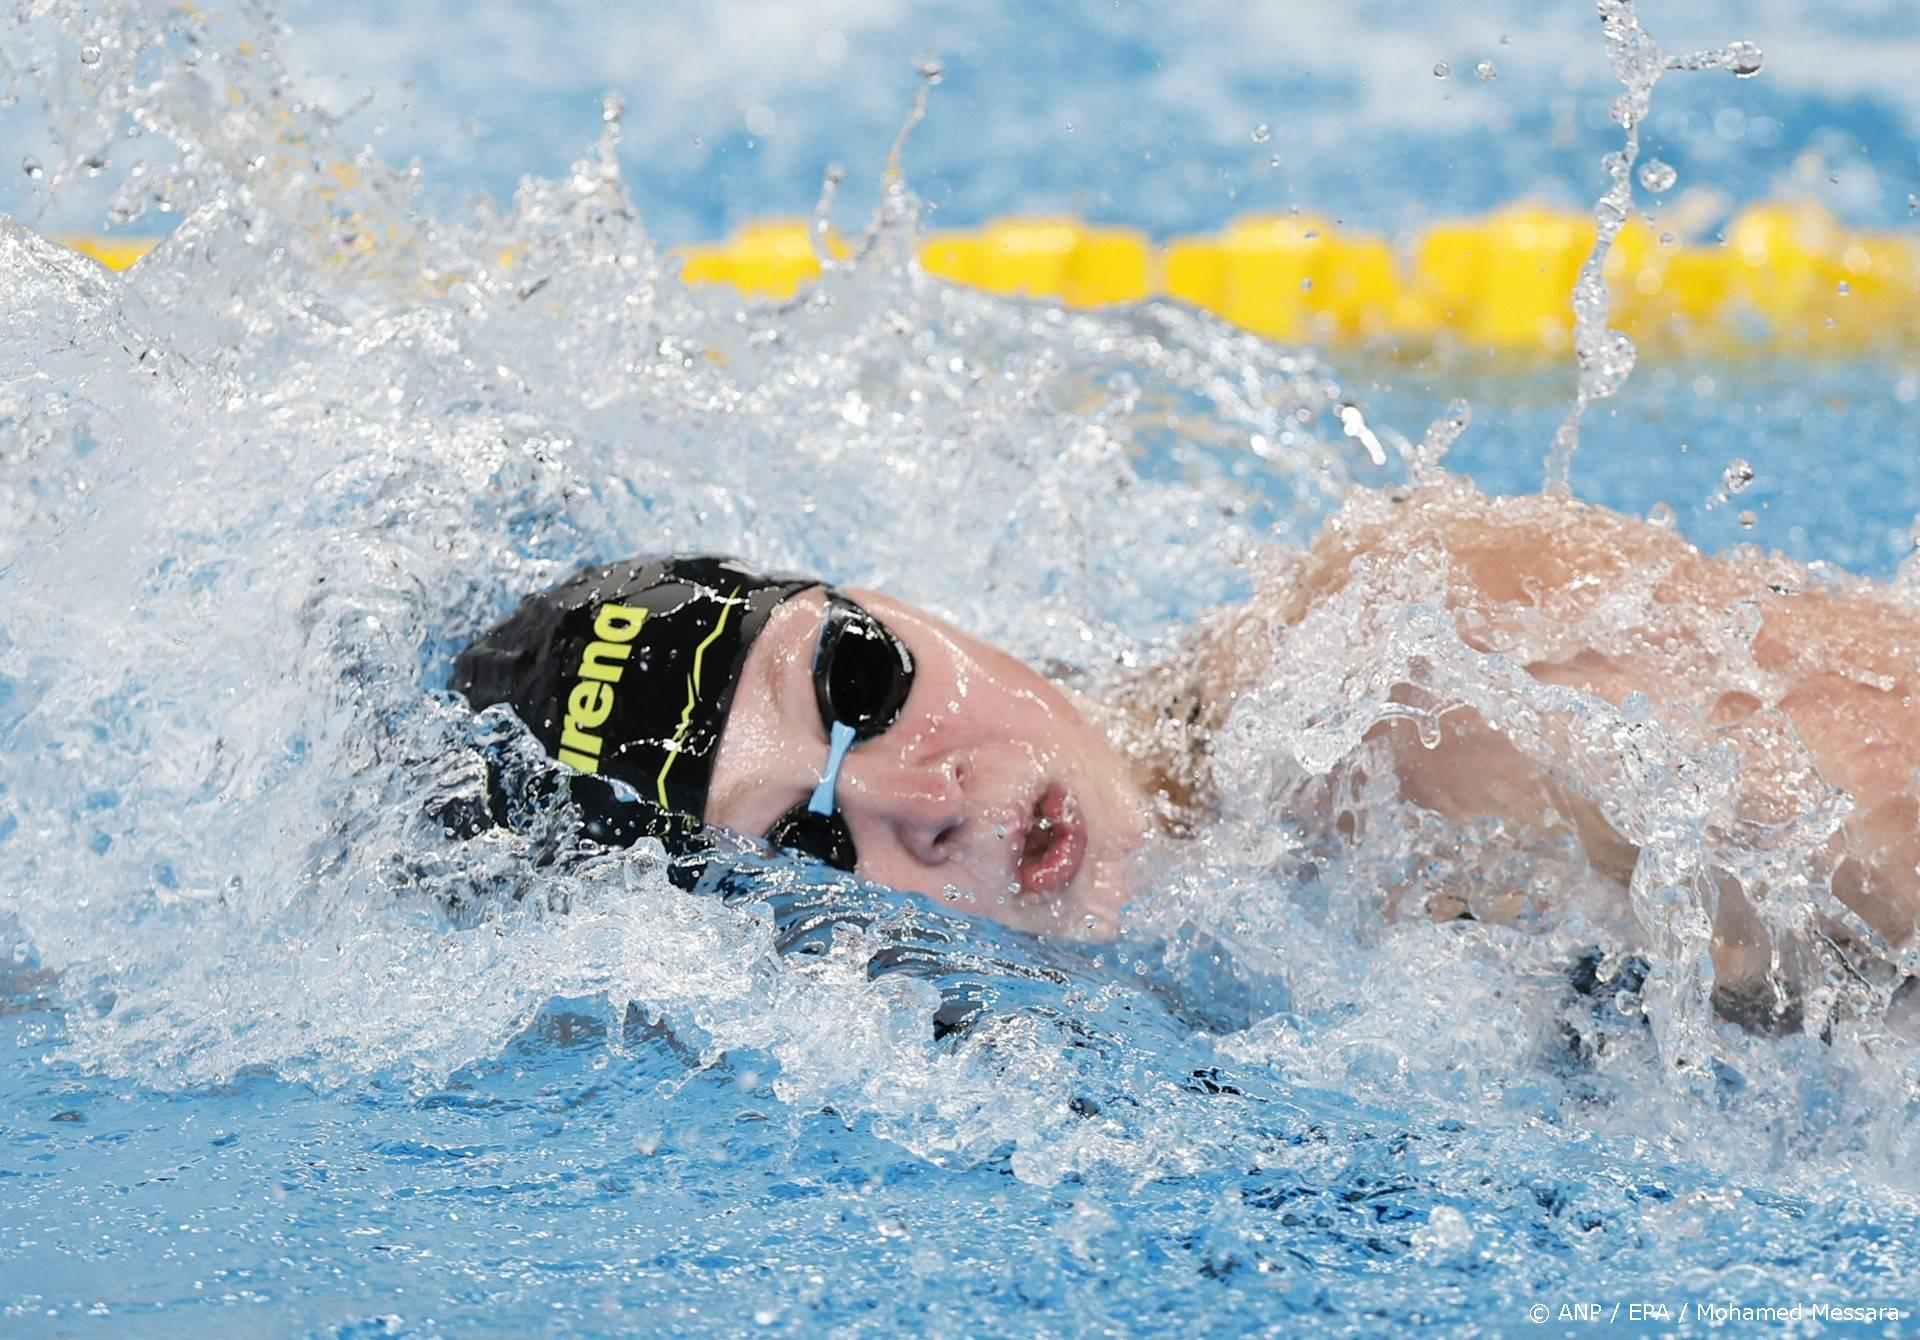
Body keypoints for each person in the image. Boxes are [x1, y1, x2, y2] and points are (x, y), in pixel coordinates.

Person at [451, 478, 1920, 1023]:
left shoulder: (1418, 673)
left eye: (856, 676)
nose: (919, 800)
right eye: (808, 843)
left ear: (896, 602)